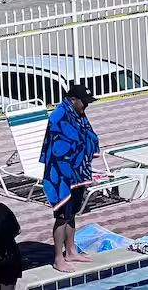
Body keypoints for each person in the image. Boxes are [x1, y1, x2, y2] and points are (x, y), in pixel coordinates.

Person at [40, 84, 99, 274]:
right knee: (61, 217)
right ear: (73, 100)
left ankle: (71, 251)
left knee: (72, 213)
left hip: (77, 172)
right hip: (62, 174)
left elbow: (87, 134)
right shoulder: (59, 116)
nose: (86, 106)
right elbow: (59, 148)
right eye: (84, 102)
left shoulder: (77, 113)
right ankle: (58, 258)